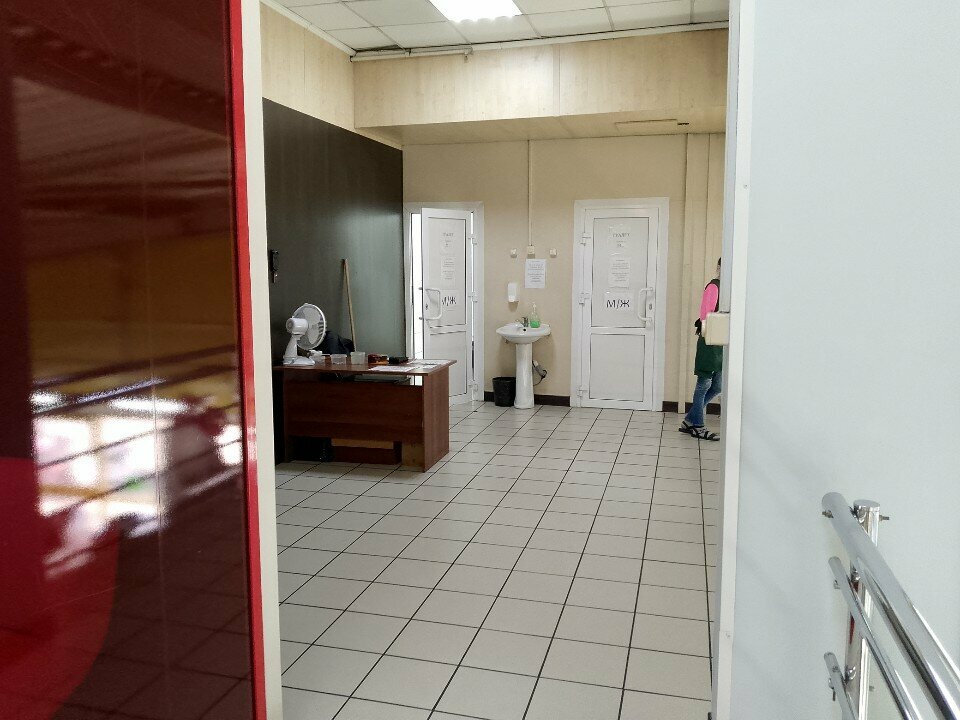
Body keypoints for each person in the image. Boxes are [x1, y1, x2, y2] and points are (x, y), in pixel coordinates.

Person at [680, 258, 723, 441]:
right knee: (704, 384)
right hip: (709, 342)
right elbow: (706, 317)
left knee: (718, 385)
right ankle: (697, 426)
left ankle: (690, 419)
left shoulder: (729, 289)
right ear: (719, 267)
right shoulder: (714, 287)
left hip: (721, 343)